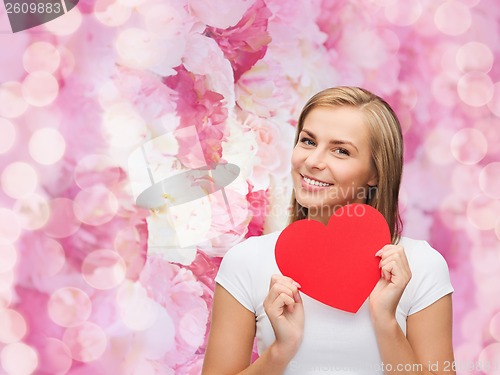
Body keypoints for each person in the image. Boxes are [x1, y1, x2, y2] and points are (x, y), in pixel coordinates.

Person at [202, 87, 455, 374]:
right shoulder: (246, 261)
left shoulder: (420, 265)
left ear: (375, 172)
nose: (312, 162)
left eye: (341, 150)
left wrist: (386, 322)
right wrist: (280, 351)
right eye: (308, 141)